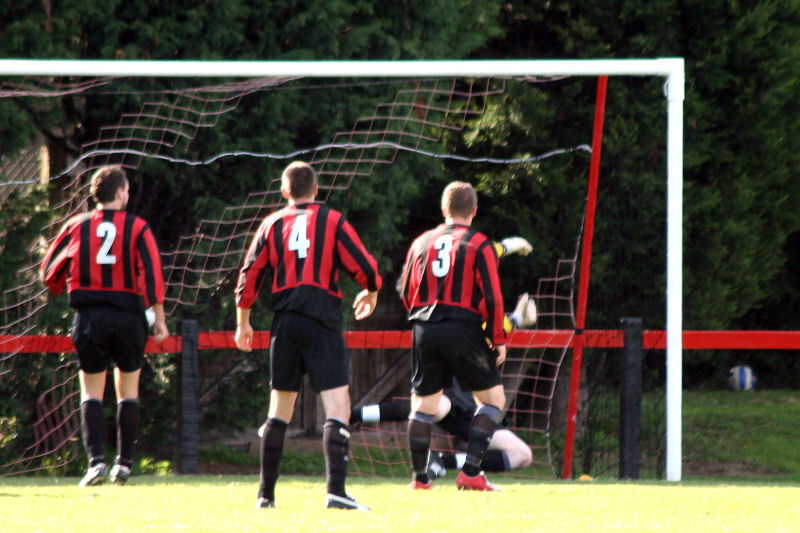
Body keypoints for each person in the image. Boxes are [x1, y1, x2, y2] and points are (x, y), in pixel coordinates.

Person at [234, 161, 382, 511]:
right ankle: (335, 491)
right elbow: (365, 266)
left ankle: (265, 496)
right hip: (322, 320)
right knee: (336, 407)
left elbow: (249, 274)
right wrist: (371, 291)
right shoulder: (332, 220)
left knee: (279, 410)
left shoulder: (271, 223)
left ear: (284, 192)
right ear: (316, 190)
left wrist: (243, 321)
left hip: (284, 324)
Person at [41, 165, 169, 487]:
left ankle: (96, 463)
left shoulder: (76, 226)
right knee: (128, 392)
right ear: (121, 192)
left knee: (91, 393)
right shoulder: (138, 228)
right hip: (129, 318)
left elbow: (50, 271)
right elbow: (152, 273)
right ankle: (123, 465)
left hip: (90, 318)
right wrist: (160, 320)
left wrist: (61, 285)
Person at [349, 292, 537, 479]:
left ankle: (442, 461)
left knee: (522, 455)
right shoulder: (452, 316)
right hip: (450, 390)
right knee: (436, 408)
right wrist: (515, 319)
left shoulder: (478, 320)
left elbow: (493, 331)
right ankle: (353, 415)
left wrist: (516, 319)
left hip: (473, 407)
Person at [397, 180, 509, 491]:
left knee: (423, 406)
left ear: (443, 209)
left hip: (424, 327)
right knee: (493, 400)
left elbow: (406, 291)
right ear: (474, 211)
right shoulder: (480, 244)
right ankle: (471, 472)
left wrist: (422, 318)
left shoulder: (420, 242)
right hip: (463, 327)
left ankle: (420, 478)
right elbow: (493, 298)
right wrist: (498, 338)